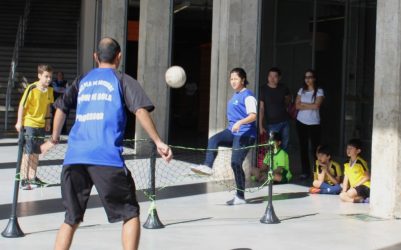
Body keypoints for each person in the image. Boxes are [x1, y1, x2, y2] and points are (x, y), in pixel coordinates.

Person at [41, 37, 172, 250]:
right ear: (119, 56)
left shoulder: (81, 80)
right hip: (106, 158)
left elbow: (61, 107)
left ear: (95, 57)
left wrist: (54, 138)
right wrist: (158, 141)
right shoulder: (122, 80)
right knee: (130, 214)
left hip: (74, 157)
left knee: (71, 218)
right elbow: (140, 110)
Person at [190, 67, 257, 205]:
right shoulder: (235, 95)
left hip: (246, 133)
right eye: (231, 79)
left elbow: (253, 116)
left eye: (236, 79)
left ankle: (240, 196)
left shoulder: (248, 96)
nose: (232, 81)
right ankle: (208, 166)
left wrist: (240, 122)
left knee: (235, 163)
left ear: (243, 80)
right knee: (214, 139)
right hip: (233, 132)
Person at [15, 64, 54, 190]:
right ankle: (24, 179)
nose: (48, 79)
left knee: (36, 151)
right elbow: (22, 105)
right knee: (28, 151)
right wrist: (19, 122)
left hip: (41, 124)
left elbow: (48, 106)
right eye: (46, 76)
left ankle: (32, 177)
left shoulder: (49, 90)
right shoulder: (31, 88)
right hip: (30, 123)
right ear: (39, 76)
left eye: (50, 77)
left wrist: (48, 121)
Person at [295, 69, 324, 179]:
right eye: (306, 77)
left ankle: (317, 171)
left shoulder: (319, 91)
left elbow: (317, 106)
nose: (308, 79)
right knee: (303, 147)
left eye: (310, 77)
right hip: (301, 122)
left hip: (314, 123)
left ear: (314, 78)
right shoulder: (301, 90)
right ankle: (305, 171)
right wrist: (310, 104)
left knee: (316, 148)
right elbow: (297, 106)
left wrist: (303, 104)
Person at [258, 67, 291, 151]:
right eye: (270, 76)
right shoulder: (263, 89)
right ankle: (273, 164)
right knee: (273, 146)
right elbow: (261, 108)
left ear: (279, 78)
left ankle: (282, 163)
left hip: (285, 121)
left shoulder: (284, 88)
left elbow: (288, 100)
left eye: (275, 76)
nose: (272, 79)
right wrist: (260, 126)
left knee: (285, 144)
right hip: (272, 123)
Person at [339, 139, 370, 203]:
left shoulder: (361, 162)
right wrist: (344, 190)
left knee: (349, 193)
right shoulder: (346, 163)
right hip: (355, 188)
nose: (348, 150)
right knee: (342, 195)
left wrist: (356, 185)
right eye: (347, 148)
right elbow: (346, 177)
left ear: (358, 151)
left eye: (351, 148)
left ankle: (360, 199)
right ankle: (361, 200)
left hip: (365, 186)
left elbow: (367, 177)